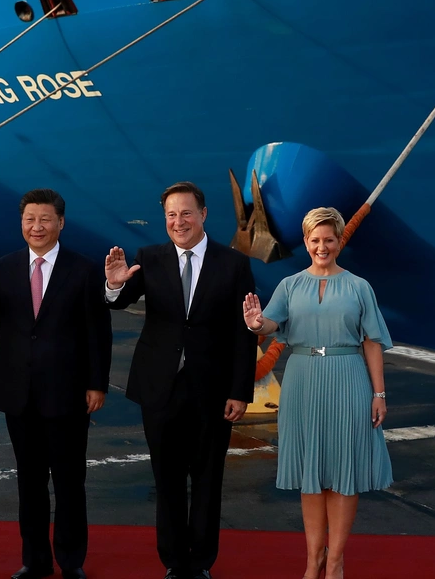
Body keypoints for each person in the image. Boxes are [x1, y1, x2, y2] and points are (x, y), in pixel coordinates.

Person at [104, 182, 257, 579]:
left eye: (186, 213)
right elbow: (119, 301)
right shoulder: (149, 258)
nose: (178, 221)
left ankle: (202, 562)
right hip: (161, 388)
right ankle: (173, 561)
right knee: (167, 479)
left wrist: (241, 391)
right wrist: (115, 283)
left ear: (203, 215)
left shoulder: (234, 263)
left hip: (212, 389)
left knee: (208, 479)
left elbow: (244, 332)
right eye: (171, 214)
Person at [0, 189, 111, 579]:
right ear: (22, 223)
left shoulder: (83, 269)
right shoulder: (7, 267)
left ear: (60, 223)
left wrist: (97, 384)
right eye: (30, 219)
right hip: (18, 393)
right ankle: (35, 560)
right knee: (29, 482)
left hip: (68, 392)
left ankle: (71, 560)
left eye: (45, 219)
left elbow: (98, 332)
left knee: (68, 481)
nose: (37, 227)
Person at [242, 208, 393, 579]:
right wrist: (257, 323)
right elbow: (273, 322)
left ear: (339, 241)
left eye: (329, 239)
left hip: (348, 378)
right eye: (315, 240)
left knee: (343, 473)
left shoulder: (359, 287)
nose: (321, 246)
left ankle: (337, 560)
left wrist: (379, 394)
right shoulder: (290, 285)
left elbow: (373, 342)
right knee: (311, 474)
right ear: (306, 242)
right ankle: (314, 559)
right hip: (302, 380)